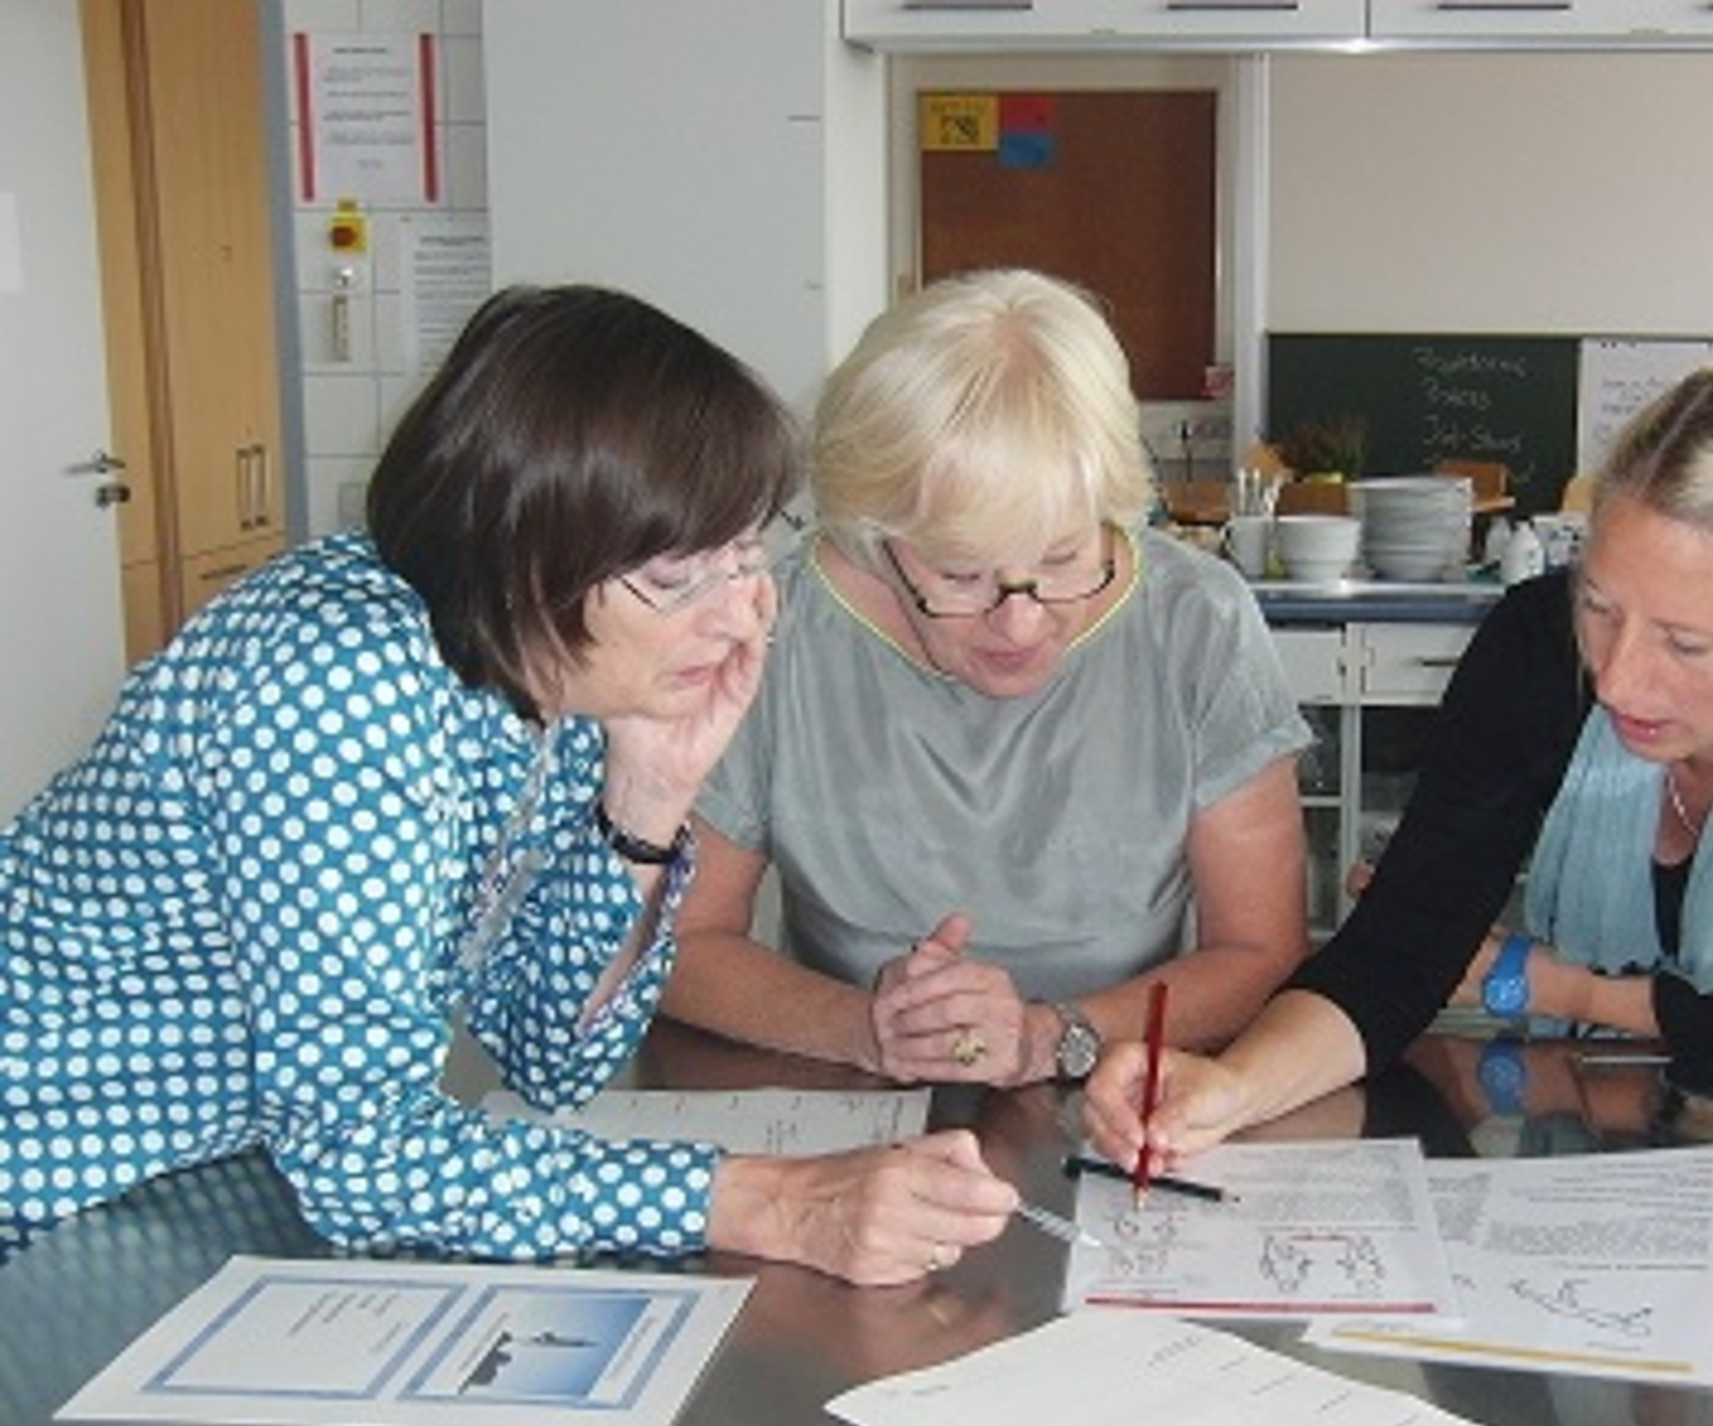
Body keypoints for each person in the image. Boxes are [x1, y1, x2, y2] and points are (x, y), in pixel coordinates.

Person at [0, 284, 1017, 1282]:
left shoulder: (543, 678)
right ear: (528, 558)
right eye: (676, 579)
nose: (743, 614)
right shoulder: (337, 684)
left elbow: (553, 1056)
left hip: (181, 1181)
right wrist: (770, 1201)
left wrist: (649, 796)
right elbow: (363, 1154)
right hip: (41, 1182)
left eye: (746, 553)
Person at [1084, 365, 1713, 1168]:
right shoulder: (1535, 651)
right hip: (1631, 1124)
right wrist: (1231, 1089)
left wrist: (1564, 988)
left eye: (1686, 644)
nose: (1617, 678)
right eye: (1600, 606)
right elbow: (1399, 952)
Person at [662, 268, 1311, 1088]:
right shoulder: (774, 630)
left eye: (1064, 557)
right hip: (848, 1095)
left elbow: (1260, 952)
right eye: (961, 574)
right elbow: (680, 942)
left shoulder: (1196, 622)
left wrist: (1052, 1036)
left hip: (1119, 1089)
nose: (1020, 622)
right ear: (877, 533)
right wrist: (866, 1029)